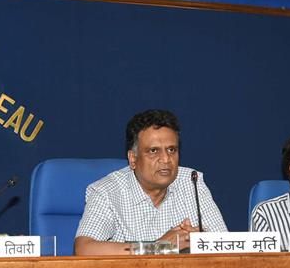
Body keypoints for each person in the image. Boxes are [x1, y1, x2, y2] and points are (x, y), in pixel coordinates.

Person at [75, 109, 227, 255]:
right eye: (154, 151)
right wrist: (157, 247)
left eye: (171, 150)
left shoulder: (192, 182)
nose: (166, 159)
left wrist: (203, 240)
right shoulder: (107, 192)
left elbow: (227, 245)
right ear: (133, 159)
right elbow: (84, 249)